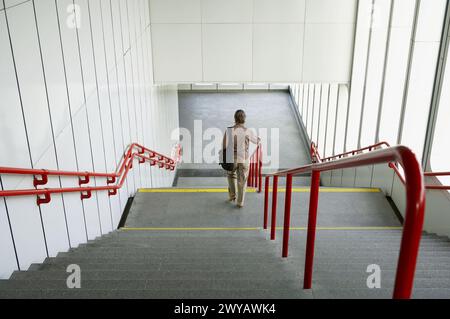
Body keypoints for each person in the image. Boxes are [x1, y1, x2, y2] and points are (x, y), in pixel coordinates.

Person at [222, 110, 260, 208]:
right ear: (244, 119)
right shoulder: (247, 131)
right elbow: (256, 141)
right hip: (244, 159)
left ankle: (232, 196)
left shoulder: (229, 130)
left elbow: (224, 146)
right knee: (242, 180)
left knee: (231, 175)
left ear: (234, 119)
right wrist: (258, 139)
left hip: (232, 159)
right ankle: (240, 202)